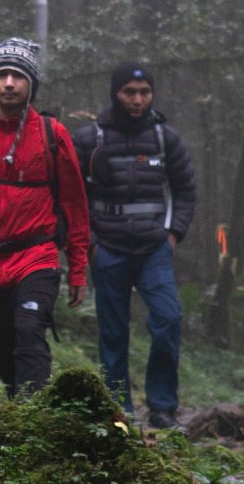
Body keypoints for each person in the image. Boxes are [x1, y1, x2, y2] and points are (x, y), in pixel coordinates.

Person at [0, 38, 87, 394]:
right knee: (3, 342)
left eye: (18, 76)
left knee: (28, 327)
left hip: (36, 257)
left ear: (32, 84)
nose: (9, 83)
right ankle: (17, 406)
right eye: (2, 75)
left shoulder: (52, 135)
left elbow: (74, 203)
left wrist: (78, 266)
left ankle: (36, 410)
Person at [74, 61, 198, 426]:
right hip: (107, 249)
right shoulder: (89, 139)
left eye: (145, 93)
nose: (138, 100)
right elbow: (73, 195)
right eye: (130, 92)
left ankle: (162, 407)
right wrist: (91, 244)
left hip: (152, 250)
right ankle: (119, 409)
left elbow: (185, 189)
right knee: (113, 332)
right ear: (116, 93)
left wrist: (174, 233)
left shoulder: (166, 138)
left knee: (168, 320)